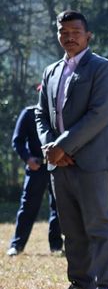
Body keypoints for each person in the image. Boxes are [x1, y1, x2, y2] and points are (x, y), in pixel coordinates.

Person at [36, 10, 108, 289]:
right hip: (58, 163)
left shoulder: (103, 68)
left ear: (88, 36)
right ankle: (81, 285)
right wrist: (51, 147)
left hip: (92, 160)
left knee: (98, 225)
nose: (69, 36)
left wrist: (63, 147)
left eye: (75, 31)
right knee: (70, 228)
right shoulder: (51, 71)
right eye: (63, 31)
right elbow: (40, 114)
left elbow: (99, 114)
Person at [8, 102, 63, 256]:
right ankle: (17, 245)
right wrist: (28, 159)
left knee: (58, 206)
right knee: (28, 206)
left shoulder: (58, 113)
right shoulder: (29, 113)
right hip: (36, 167)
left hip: (57, 165)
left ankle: (56, 246)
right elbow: (17, 141)